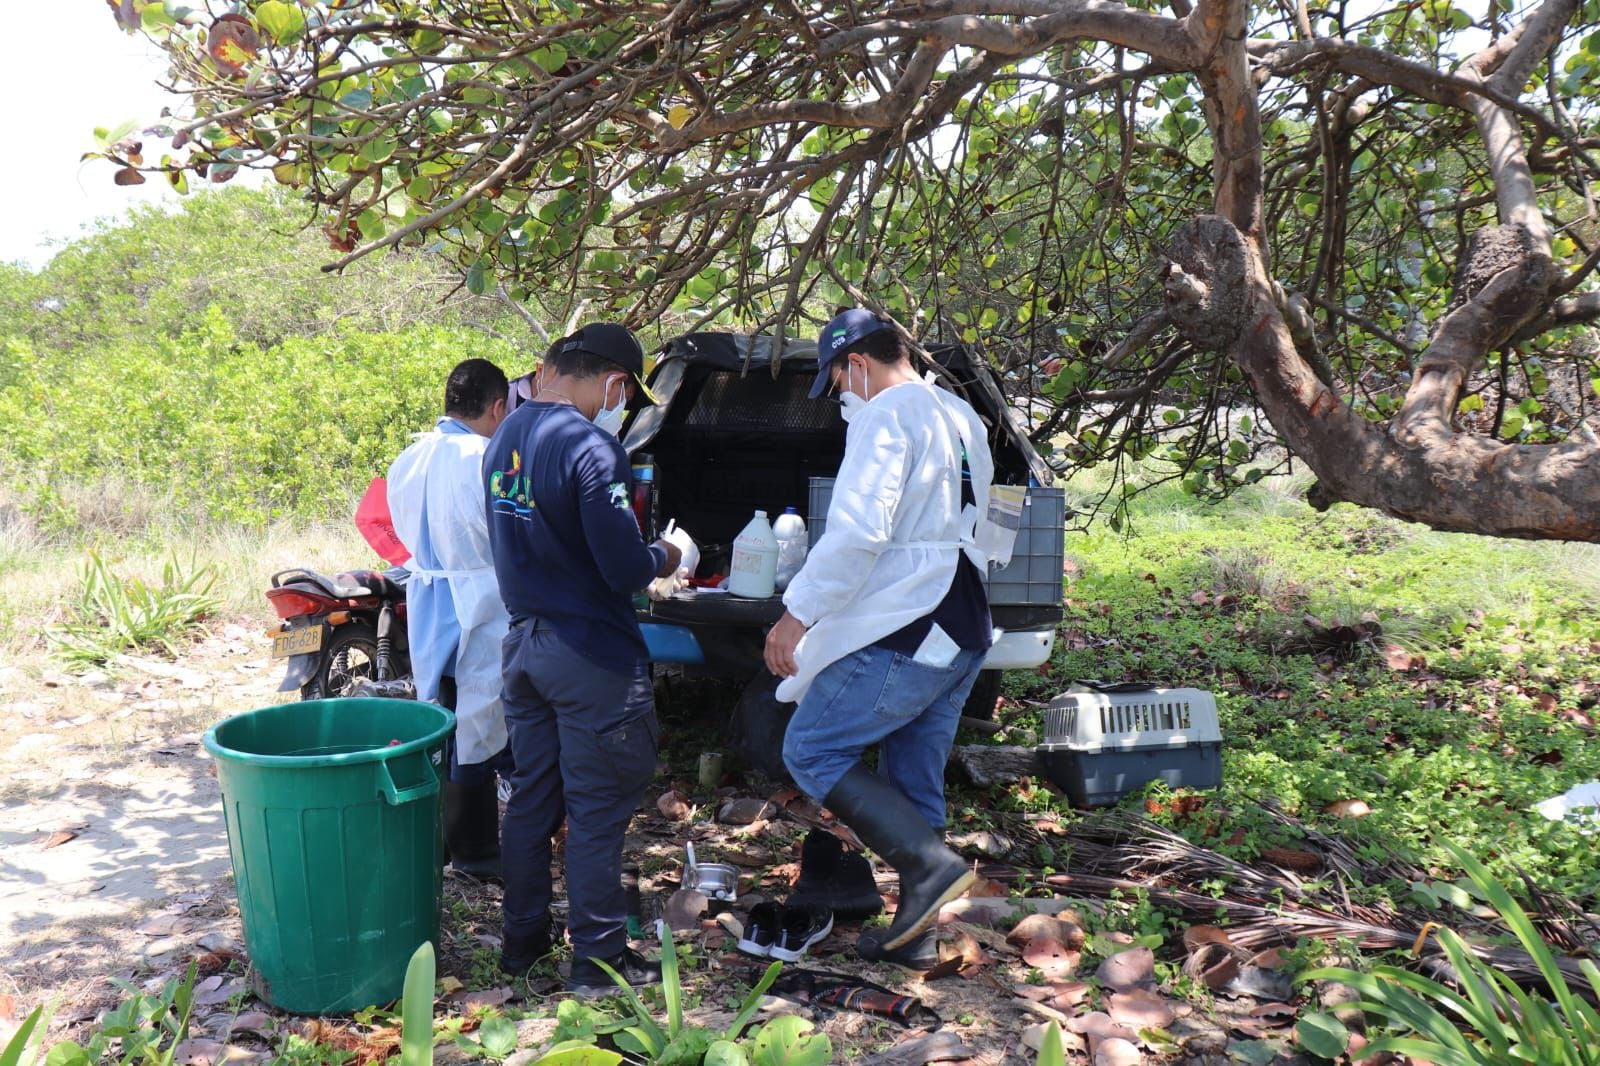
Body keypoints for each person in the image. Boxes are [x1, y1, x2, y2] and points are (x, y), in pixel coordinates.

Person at [764, 309, 996, 968]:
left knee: (811, 746)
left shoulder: (886, 415)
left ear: (857, 365)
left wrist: (797, 613)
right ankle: (916, 937)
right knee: (913, 770)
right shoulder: (957, 414)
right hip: (965, 623)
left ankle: (926, 866)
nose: (840, 399)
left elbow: (861, 531)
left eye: (837, 383)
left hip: (913, 621)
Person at [483, 322, 684, 993]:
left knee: (533, 802)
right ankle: (598, 962)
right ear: (614, 383)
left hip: (525, 649)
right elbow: (625, 567)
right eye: (623, 395)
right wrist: (671, 555)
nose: (617, 406)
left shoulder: (502, 437)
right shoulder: (592, 447)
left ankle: (522, 943)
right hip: (589, 654)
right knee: (597, 810)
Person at [386, 358, 513, 881]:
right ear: (499, 407)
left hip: (428, 591)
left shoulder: (409, 456)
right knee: (475, 728)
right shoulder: (485, 456)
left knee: (437, 717)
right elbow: (504, 530)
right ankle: (477, 853)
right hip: (479, 598)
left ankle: (434, 844)